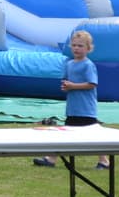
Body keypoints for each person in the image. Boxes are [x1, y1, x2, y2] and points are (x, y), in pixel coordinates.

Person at [33, 31, 110, 169]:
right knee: (64, 133)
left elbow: (92, 84)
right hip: (73, 107)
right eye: (74, 45)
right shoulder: (69, 64)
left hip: (86, 109)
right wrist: (66, 87)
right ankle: (51, 159)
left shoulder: (88, 65)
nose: (76, 48)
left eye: (80, 46)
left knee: (93, 135)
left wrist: (73, 86)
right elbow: (66, 81)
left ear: (88, 48)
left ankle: (104, 161)